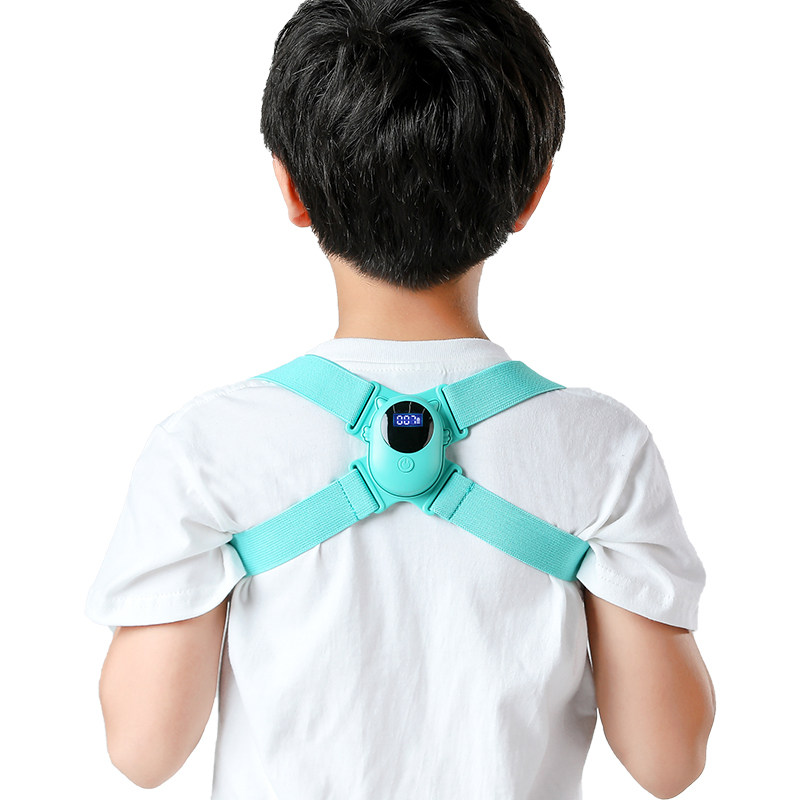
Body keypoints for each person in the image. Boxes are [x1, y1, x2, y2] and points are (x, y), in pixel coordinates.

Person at [86, 1, 715, 797]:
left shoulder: (206, 448)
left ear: (292, 188)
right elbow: (668, 762)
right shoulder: (602, 448)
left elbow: (143, 750)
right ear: (531, 194)